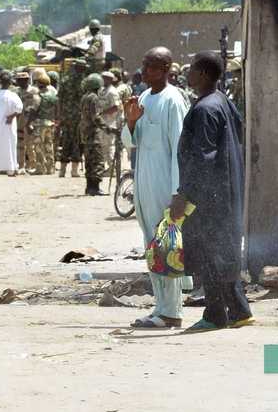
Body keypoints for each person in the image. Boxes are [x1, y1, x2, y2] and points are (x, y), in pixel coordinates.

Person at [173, 52, 252, 331]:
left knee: (209, 253)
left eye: (192, 68)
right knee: (222, 251)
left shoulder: (206, 108)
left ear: (204, 74)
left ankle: (216, 314)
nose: (188, 72)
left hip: (209, 194)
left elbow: (202, 156)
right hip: (226, 190)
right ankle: (238, 311)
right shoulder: (223, 103)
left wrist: (183, 194)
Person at [122, 47, 191, 328]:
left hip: (166, 180)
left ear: (165, 68)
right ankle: (161, 307)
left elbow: (180, 148)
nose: (145, 72)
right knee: (151, 243)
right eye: (144, 66)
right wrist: (131, 119)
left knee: (166, 242)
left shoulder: (173, 100)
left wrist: (179, 191)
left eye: (151, 67)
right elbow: (131, 141)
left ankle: (171, 311)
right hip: (145, 177)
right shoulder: (145, 98)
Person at [0, 71, 23, 176]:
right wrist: (11, 116)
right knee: (9, 145)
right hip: (9, 126)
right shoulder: (13, 95)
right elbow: (19, 108)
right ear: (10, 82)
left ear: (0, 82)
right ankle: (11, 169)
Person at [57, 59, 88, 178]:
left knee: (66, 141)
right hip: (78, 116)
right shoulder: (84, 82)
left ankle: (62, 170)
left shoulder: (65, 80)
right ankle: (74, 171)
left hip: (66, 116)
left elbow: (59, 100)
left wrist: (59, 115)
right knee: (76, 143)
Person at [78, 74, 107, 196]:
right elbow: (96, 117)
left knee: (89, 160)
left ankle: (89, 187)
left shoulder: (85, 97)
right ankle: (95, 188)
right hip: (93, 133)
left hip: (85, 132)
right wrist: (107, 128)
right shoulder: (94, 98)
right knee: (98, 160)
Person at [30, 68, 58, 175]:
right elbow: (57, 109)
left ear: (40, 84)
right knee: (49, 146)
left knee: (38, 146)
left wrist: (29, 122)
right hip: (50, 123)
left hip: (39, 124)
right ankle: (50, 168)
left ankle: (40, 168)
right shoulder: (53, 96)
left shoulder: (37, 96)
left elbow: (34, 110)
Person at [14, 70, 38, 175]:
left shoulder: (34, 91)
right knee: (20, 145)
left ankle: (32, 165)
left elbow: (36, 107)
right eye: (19, 80)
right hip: (18, 122)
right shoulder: (15, 92)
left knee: (30, 145)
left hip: (30, 121)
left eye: (23, 80)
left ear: (27, 80)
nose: (21, 82)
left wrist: (31, 122)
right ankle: (21, 165)